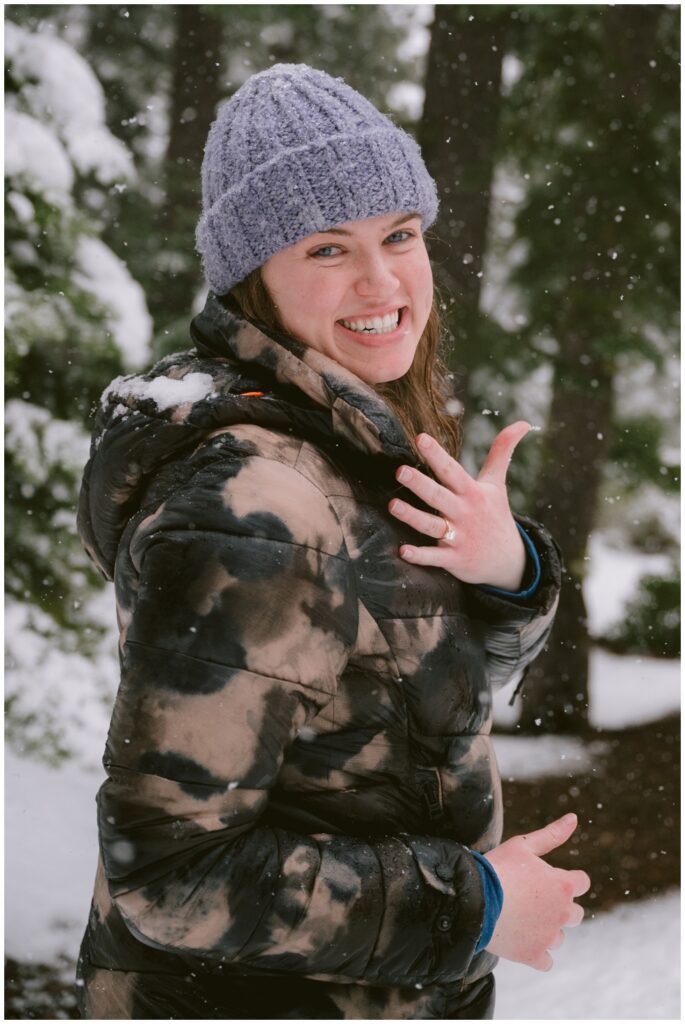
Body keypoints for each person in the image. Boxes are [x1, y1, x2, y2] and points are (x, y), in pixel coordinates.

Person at [75, 63, 590, 1020]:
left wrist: (505, 573)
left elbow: (415, 701)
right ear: (252, 279)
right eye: (326, 248)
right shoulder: (258, 500)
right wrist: (472, 906)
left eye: (399, 234)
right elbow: (170, 872)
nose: (381, 280)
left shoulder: (344, 445)